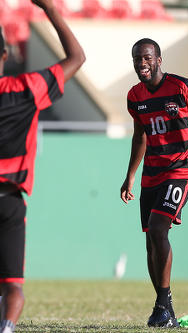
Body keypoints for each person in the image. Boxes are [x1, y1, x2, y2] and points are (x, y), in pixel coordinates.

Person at [120, 38, 188, 328]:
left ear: (159, 59)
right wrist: (129, 176)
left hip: (181, 170)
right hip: (151, 175)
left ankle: (163, 305)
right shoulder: (134, 96)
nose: (142, 63)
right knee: (150, 242)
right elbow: (140, 136)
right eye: (137, 59)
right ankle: (164, 309)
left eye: (147, 58)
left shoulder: (182, 87)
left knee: (157, 228)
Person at [0, 0, 85, 332]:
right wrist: (48, 9)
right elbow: (77, 58)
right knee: (12, 285)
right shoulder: (26, 89)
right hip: (9, 200)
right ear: (5, 56)